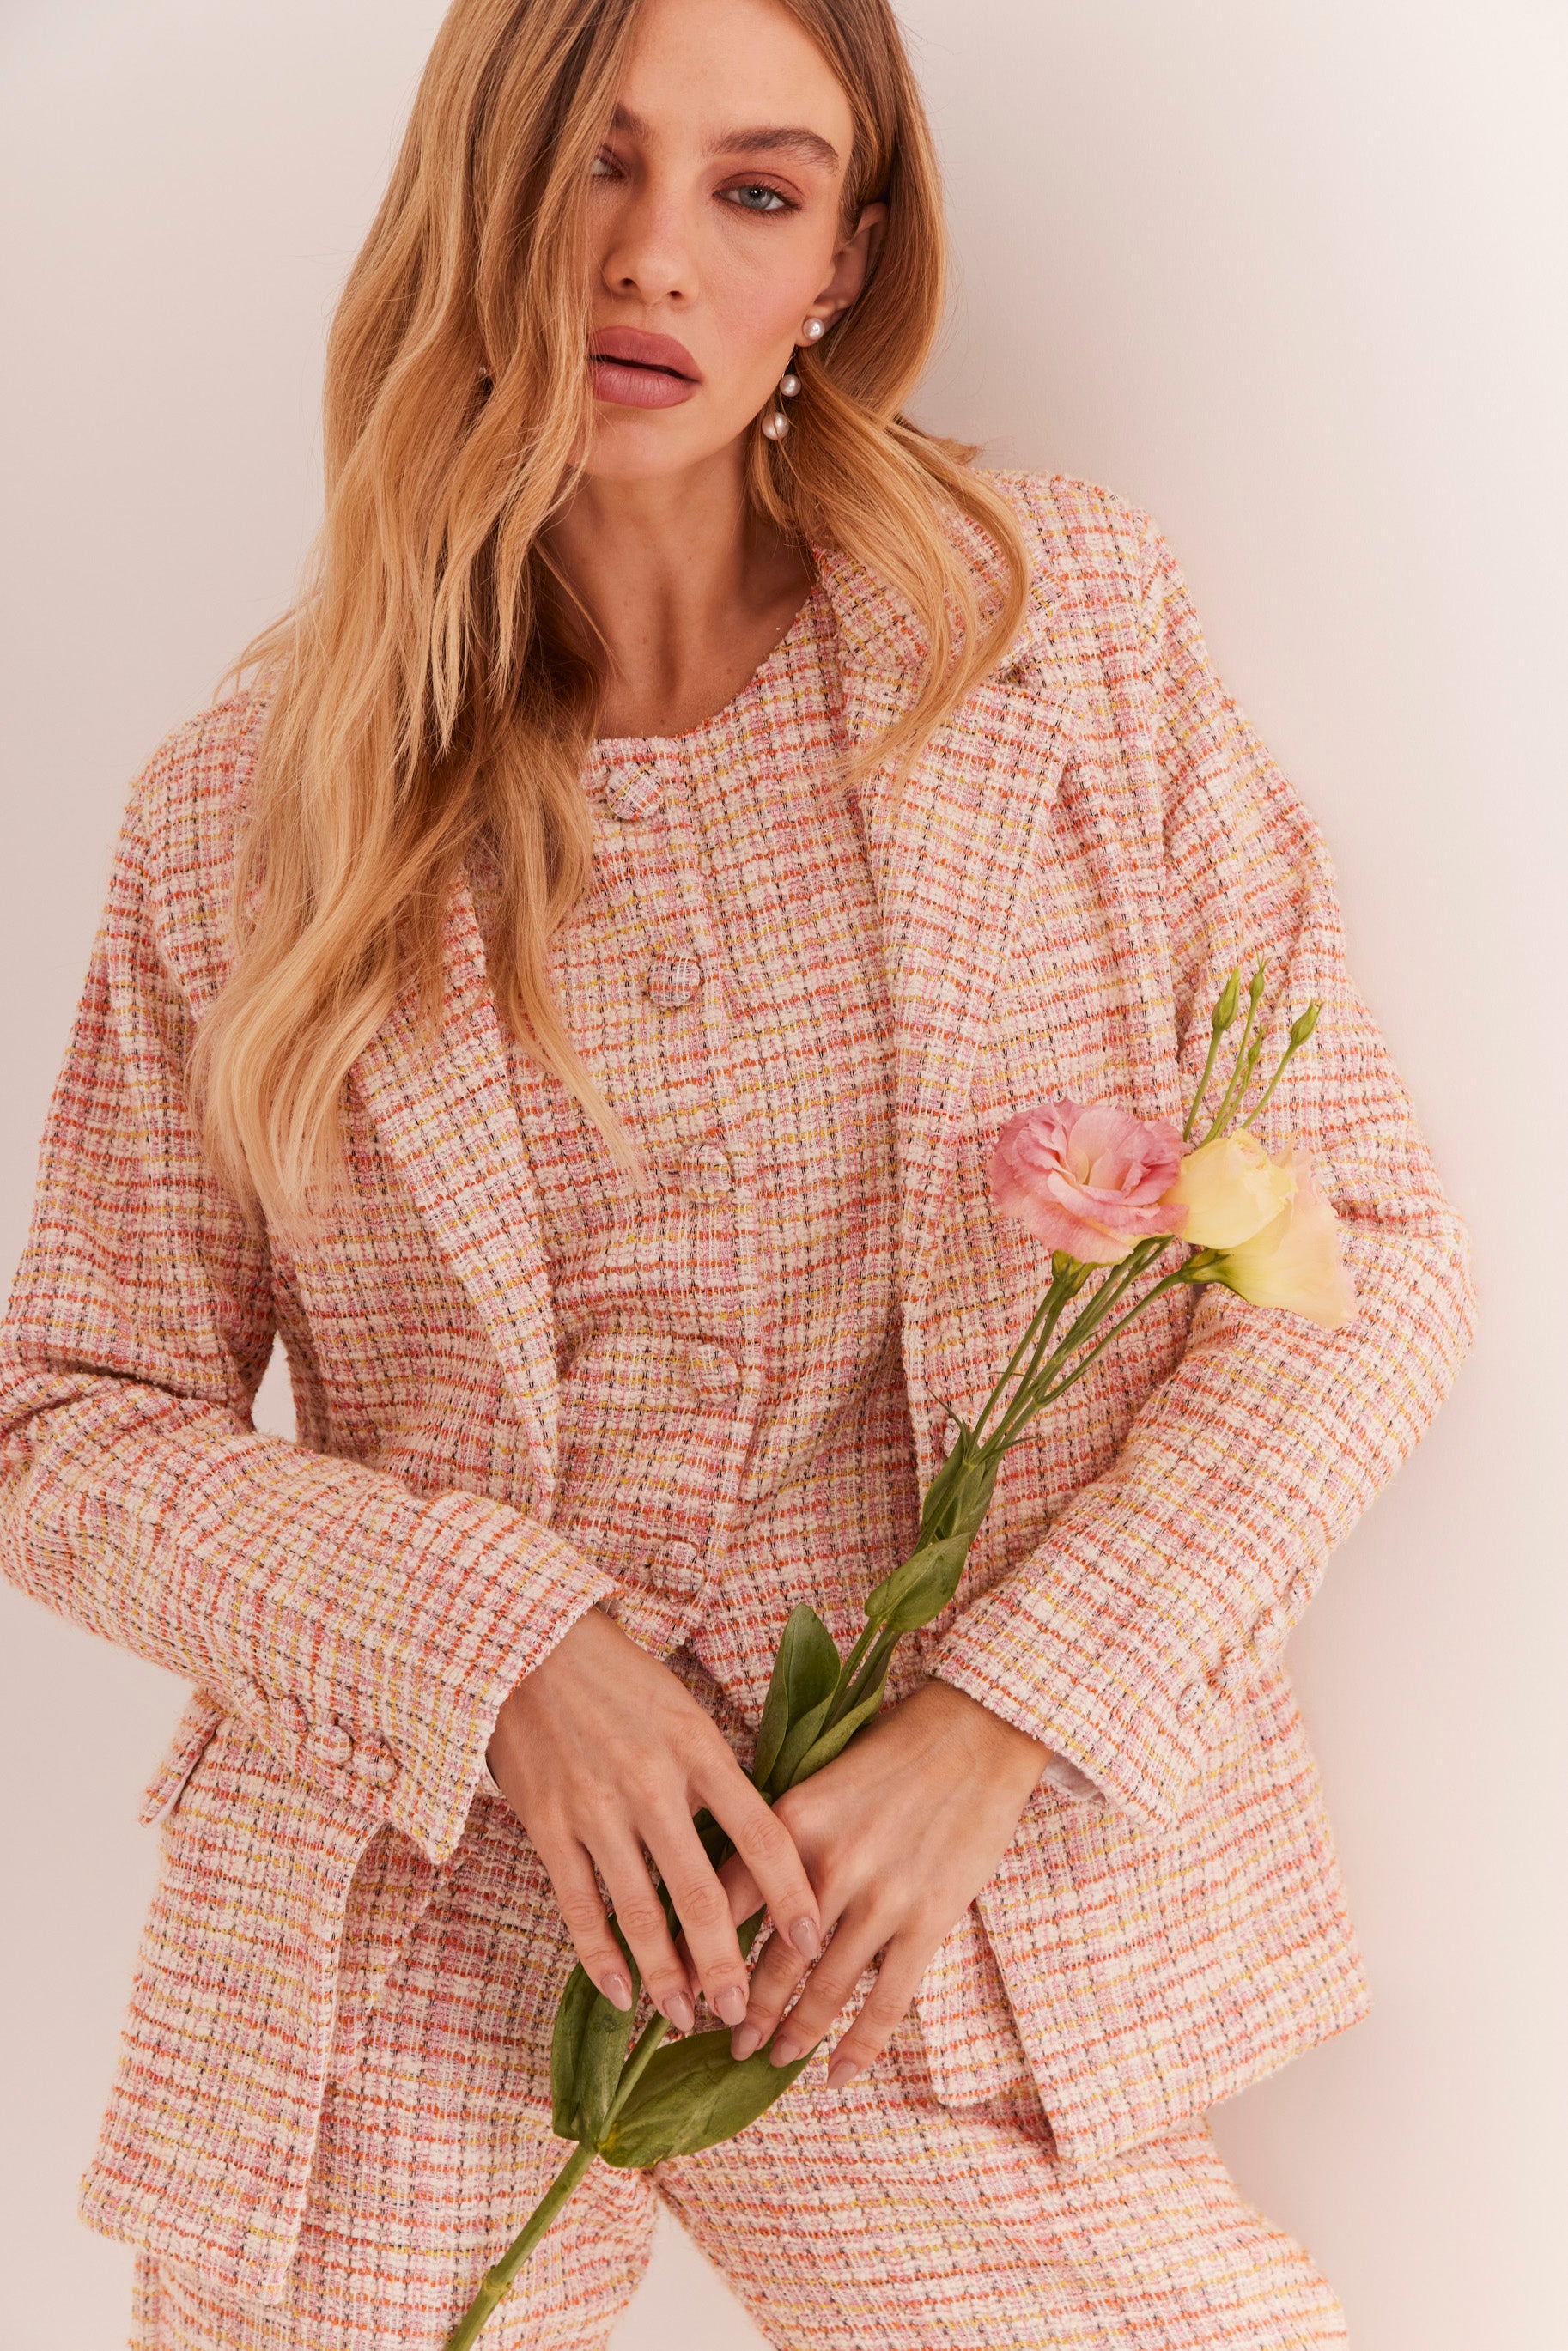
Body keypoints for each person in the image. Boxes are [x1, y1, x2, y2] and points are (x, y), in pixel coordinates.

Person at [0, 0, 1474, 2344]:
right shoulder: (250, 807)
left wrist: (1002, 1722)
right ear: (479, 187)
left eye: (752, 190)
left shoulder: (1057, 637)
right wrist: (498, 1654)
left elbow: (1357, 1261)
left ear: (842, 263)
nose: (652, 257)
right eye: (592, 162)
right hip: (410, 1925)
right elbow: (65, 1419)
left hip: (904, 1918)